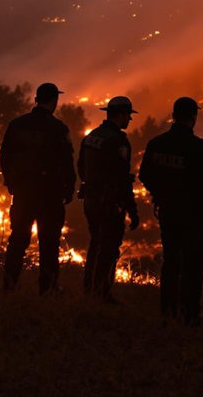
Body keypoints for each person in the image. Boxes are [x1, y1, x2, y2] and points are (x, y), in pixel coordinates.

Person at [139, 96, 203, 325]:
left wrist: (159, 193)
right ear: (193, 118)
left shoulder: (156, 143)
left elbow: (144, 175)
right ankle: (190, 313)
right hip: (193, 215)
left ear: (173, 115)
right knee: (192, 265)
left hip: (167, 212)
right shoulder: (199, 148)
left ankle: (167, 310)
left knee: (171, 262)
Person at [0, 82, 77, 294]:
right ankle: (48, 286)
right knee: (49, 242)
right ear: (54, 101)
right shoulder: (58, 128)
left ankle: (9, 284)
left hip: (23, 192)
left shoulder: (16, 124)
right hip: (49, 194)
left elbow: (5, 156)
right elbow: (66, 163)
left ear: (36, 99)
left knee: (18, 239)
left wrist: (11, 182)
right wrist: (68, 190)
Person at [78, 95, 140, 302]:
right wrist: (132, 209)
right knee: (109, 248)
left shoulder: (92, 136)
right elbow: (122, 181)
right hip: (109, 203)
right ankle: (102, 293)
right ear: (120, 115)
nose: (129, 120)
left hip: (91, 199)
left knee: (95, 244)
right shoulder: (119, 142)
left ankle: (89, 288)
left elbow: (81, 167)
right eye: (128, 116)